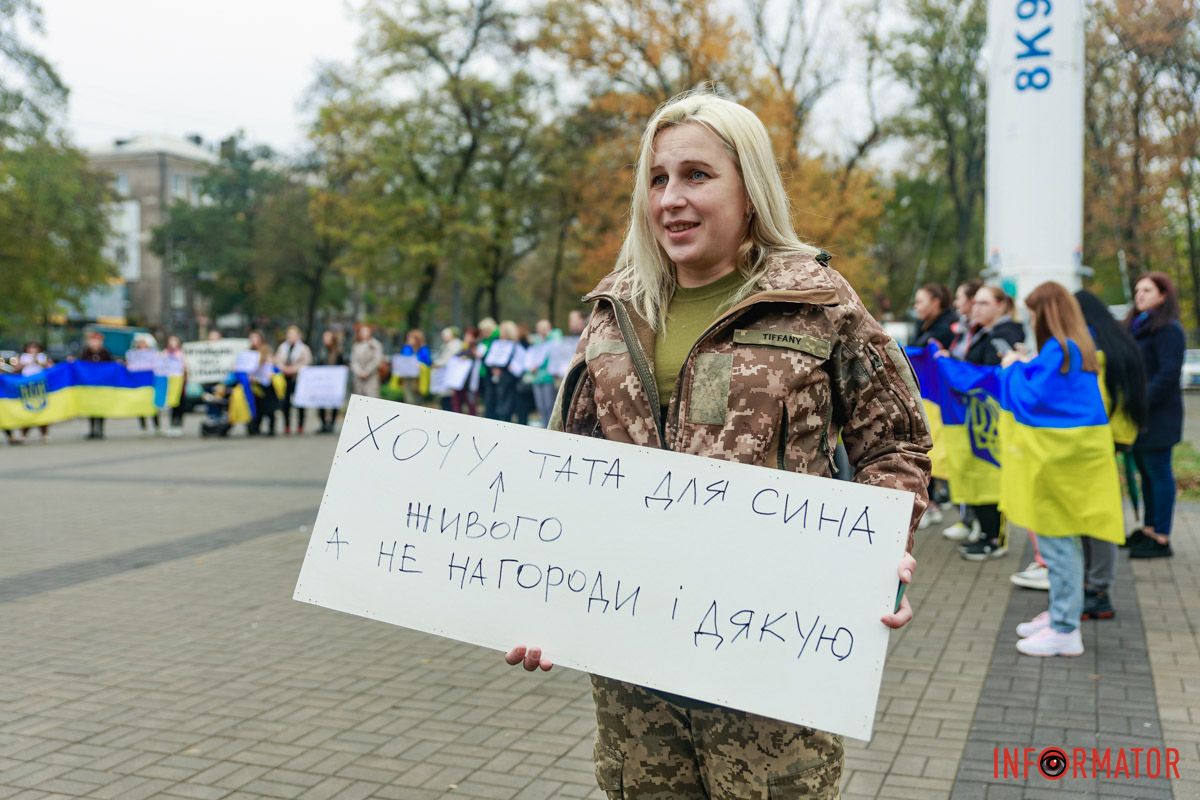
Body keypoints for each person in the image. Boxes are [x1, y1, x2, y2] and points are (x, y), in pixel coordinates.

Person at [503, 91, 929, 799]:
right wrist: (539, 605)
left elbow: (896, 444)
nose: (671, 197)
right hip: (636, 676)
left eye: (697, 175)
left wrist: (878, 554)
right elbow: (565, 477)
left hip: (773, 663)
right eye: (658, 178)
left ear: (750, 188)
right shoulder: (615, 315)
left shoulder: (818, 302)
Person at [1007, 283, 1122, 657]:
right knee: (1063, 545)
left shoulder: (1062, 350)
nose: (1030, 320)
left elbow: (1030, 397)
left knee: (1059, 546)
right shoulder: (1076, 345)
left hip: (1061, 466)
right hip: (1075, 464)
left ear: (1048, 312)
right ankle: (1061, 614)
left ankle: (1065, 629)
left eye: (1033, 312)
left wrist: (1011, 369)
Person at [1073, 289, 1147, 618]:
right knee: (1097, 514)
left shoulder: (1091, 348)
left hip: (1094, 441)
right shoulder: (1118, 340)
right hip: (1115, 438)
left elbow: (1092, 404)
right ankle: (1096, 586)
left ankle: (1097, 590)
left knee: (1094, 517)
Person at [957, 285, 1026, 561]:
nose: (977, 308)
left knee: (990, 474)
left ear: (1001, 305)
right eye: (975, 303)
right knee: (979, 473)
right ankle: (985, 531)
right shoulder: (984, 332)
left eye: (984, 303)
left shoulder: (1005, 335)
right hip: (977, 415)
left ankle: (995, 536)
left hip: (993, 418)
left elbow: (994, 374)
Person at [1125, 272, 1185, 559]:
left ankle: (1162, 536)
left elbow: (1167, 374)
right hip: (1140, 415)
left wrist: (1141, 403)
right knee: (1146, 474)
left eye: (1147, 290)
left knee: (1159, 472)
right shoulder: (1139, 326)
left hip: (1158, 416)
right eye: (1138, 290)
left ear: (1163, 295)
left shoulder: (1168, 329)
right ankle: (1149, 529)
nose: (1140, 295)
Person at [275, 325, 313, 435]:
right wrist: (284, 368)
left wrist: (294, 369)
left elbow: (307, 362)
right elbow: (277, 361)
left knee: (300, 403)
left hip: (298, 379)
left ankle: (300, 425)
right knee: (285, 403)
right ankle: (287, 425)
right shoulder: (282, 347)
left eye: (294, 334)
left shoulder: (304, 348)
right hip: (284, 378)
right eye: (290, 334)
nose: (291, 336)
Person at [15, 342, 53, 444]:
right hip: (26, 385)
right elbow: (16, 369)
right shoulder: (23, 357)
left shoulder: (42, 357)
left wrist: (38, 361)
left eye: (35, 347)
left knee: (42, 409)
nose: (32, 350)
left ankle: (44, 433)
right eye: (30, 347)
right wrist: (24, 363)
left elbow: (50, 367)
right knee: (26, 409)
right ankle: (24, 434)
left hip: (40, 386)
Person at [79, 331, 113, 440]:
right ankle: (92, 430)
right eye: (92, 341)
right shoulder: (85, 352)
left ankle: (101, 430)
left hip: (102, 385)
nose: (94, 343)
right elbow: (80, 366)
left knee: (101, 408)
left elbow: (111, 366)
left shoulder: (105, 353)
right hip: (89, 385)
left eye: (97, 341)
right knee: (91, 408)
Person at [245, 330, 279, 436]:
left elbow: (271, 364)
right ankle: (255, 427)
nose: (253, 341)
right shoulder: (248, 352)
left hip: (266, 383)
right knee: (257, 406)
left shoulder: (266, 350)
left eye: (255, 338)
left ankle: (271, 428)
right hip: (254, 383)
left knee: (269, 407)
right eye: (251, 338)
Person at [128, 333, 162, 437]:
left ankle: (156, 426)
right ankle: (143, 427)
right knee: (140, 406)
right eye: (139, 343)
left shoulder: (155, 354)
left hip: (150, 384)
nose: (141, 345)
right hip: (139, 385)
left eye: (143, 343)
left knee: (153, 406)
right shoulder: (132, 354)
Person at [529, 319, 560, 427]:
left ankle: (551, 427)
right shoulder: (536, 343)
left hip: (548, 378)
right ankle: (544, 426)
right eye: (540, 328)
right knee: (540, 406)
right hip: (536, 378)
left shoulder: (554, 341)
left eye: (544, 328)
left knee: (549, 406)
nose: (542, 331)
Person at [316, 329, 346, 433]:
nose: (325, 339)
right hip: (322, 382)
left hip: (333, 382)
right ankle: (323, 424)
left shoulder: (338, 352)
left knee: (334, 403)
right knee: (321, 403)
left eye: (327, 337)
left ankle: (331, 424)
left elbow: (342, 365)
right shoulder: (321, 351)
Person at [912, 283, 956, 349]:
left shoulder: (947, 328)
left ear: (935, 302)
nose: (915, 306)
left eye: (919, 302)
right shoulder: (922, 323)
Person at [162, 335, 188, 438]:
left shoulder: (181, 354)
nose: (173, 343)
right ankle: (172, 425)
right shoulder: (164, 353)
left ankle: (179, 426)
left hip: (180, 382)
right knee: (172, 404)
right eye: (171, 341)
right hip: (169, 382)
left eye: (175, 341)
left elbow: (186, 367)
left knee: (180, 404)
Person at [433, 327, 463, 412]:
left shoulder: (455, 344)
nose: (443, 337)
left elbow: (448, 359)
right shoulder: (446, 345)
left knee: (450, 400)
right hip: (443, 376)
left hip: (451, 376)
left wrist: (437, 363)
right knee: (445, 399)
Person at [350, 324, 384, 399]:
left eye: (366, 331)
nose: (364, 333)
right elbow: (354, 361)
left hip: (371, 377)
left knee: (372, 398)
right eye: (362, 331)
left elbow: (377, 360)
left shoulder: (376, 344)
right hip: (358, 378)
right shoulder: (356, 345)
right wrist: (359, 372)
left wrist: (367, 371)